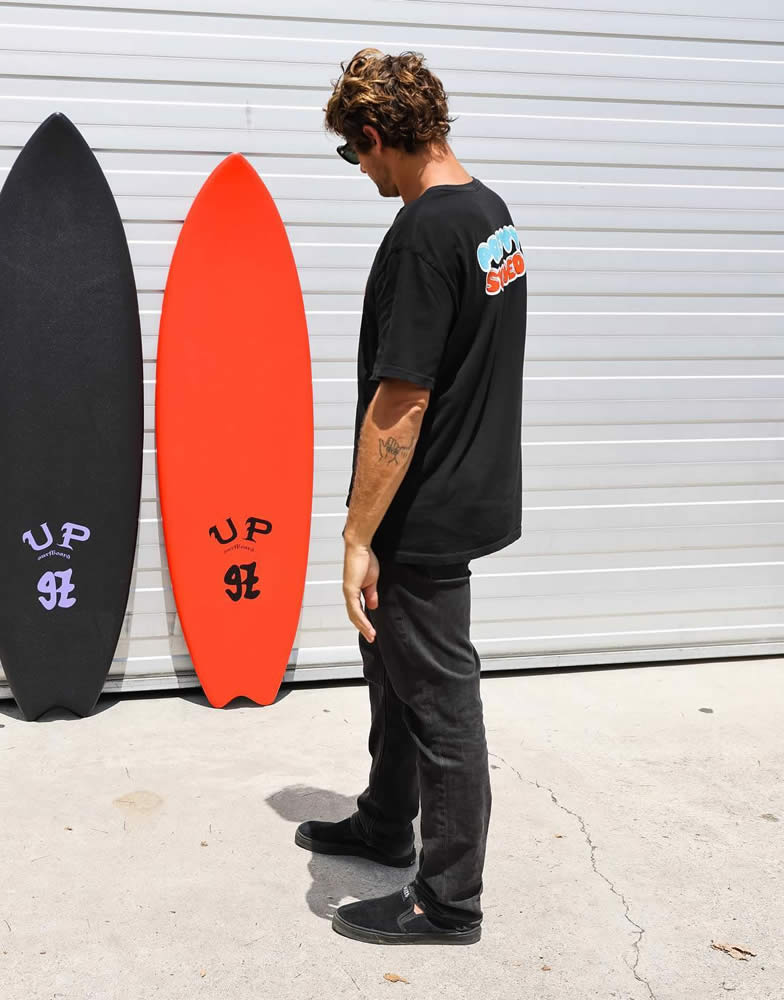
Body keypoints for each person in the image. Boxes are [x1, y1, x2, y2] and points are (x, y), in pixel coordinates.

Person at [295, 48, 528, 946]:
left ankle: (448, 900)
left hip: (424, 505)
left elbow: (403, 398)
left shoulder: (426, 231)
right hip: (462, 484)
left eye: (353, 155)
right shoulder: (491, 214)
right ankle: (386, 823)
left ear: (376, 135)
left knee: (439, 703)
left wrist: (357, 533)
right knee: (391, 671)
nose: (360, 173)